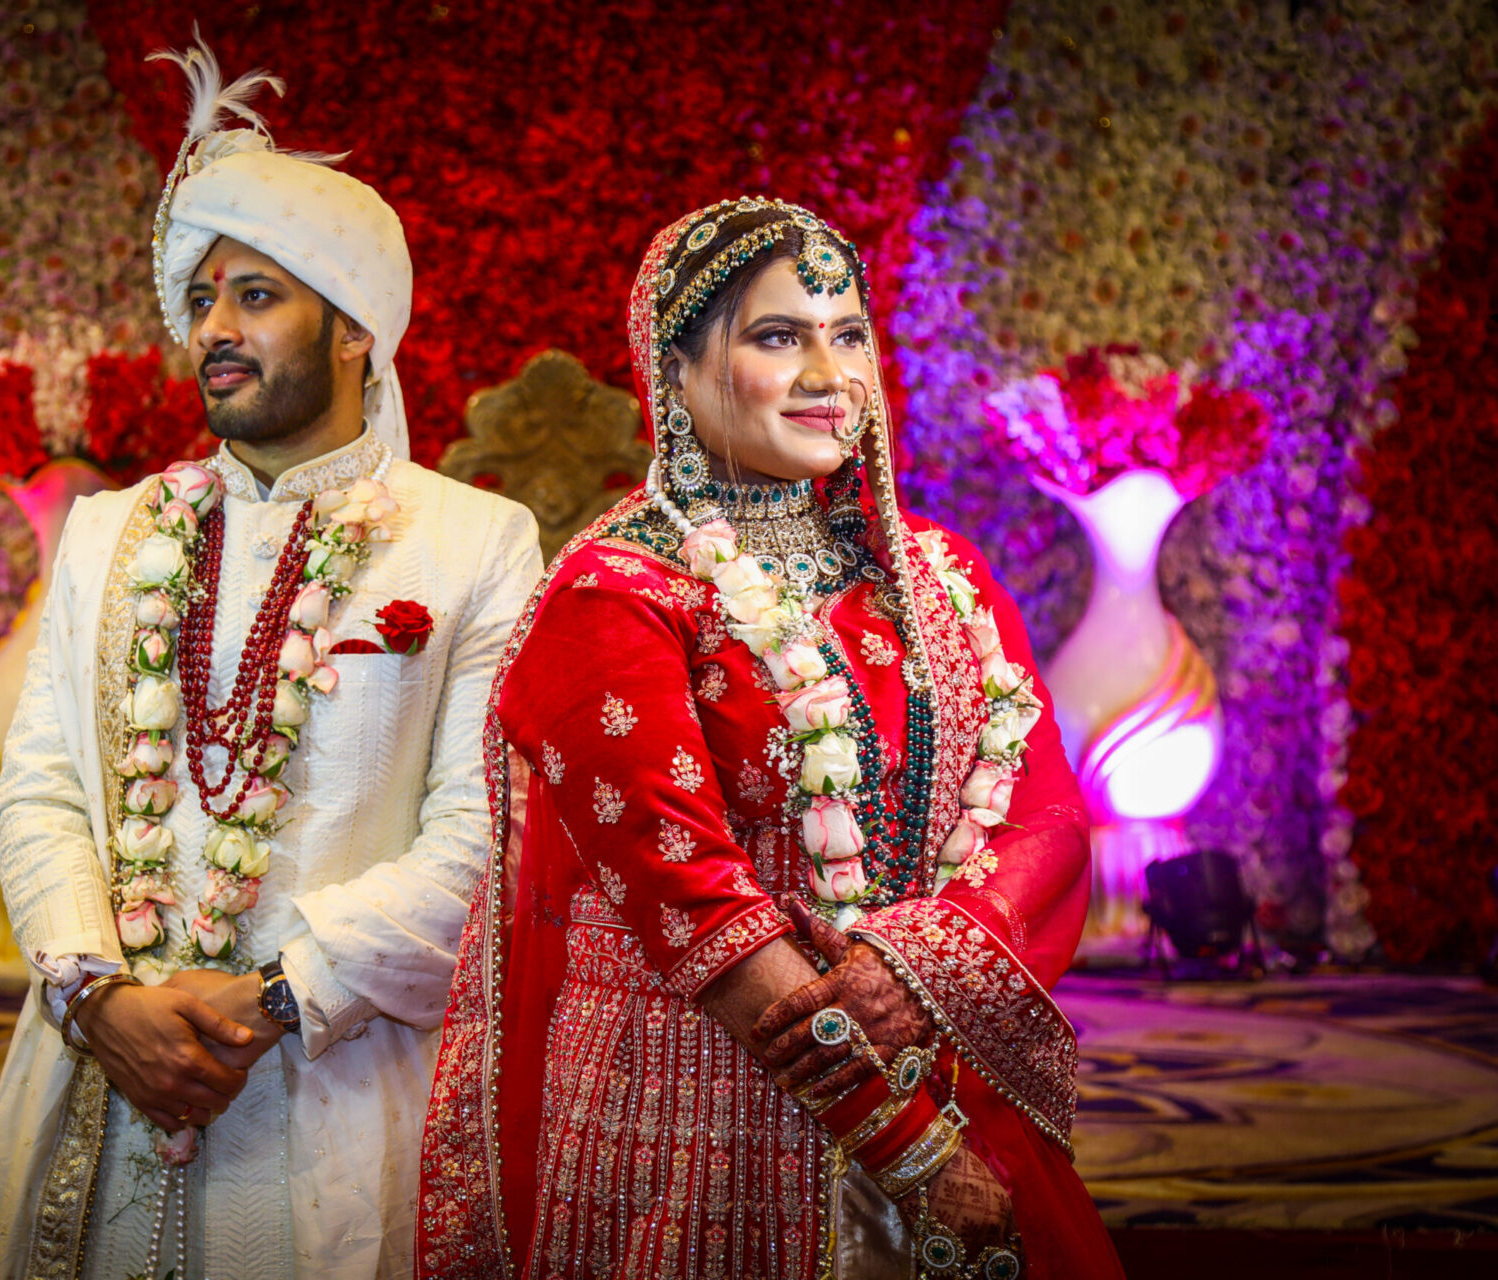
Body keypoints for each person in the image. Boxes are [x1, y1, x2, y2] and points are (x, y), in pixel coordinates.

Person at [417, 198, 1123, 1279]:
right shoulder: (613, 593)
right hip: (699, 1108)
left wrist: (912, 968)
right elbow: (690, 893)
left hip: (933, 1048)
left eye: (849, 336)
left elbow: (1047, 817)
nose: (829, 376)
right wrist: (911, 1147)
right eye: (780, 336)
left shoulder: (943, 576)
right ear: (676, 369)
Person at [0, 40, 541, 1280]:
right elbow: (41, 784)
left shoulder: (473, 540)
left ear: (355, 329)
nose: (213, 327)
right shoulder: (108, 532)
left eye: (257, 295)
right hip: (97, 1057)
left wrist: (274, 994)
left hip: (334, 1080)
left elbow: (485, 835)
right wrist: (99, 995)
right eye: (205, 297)